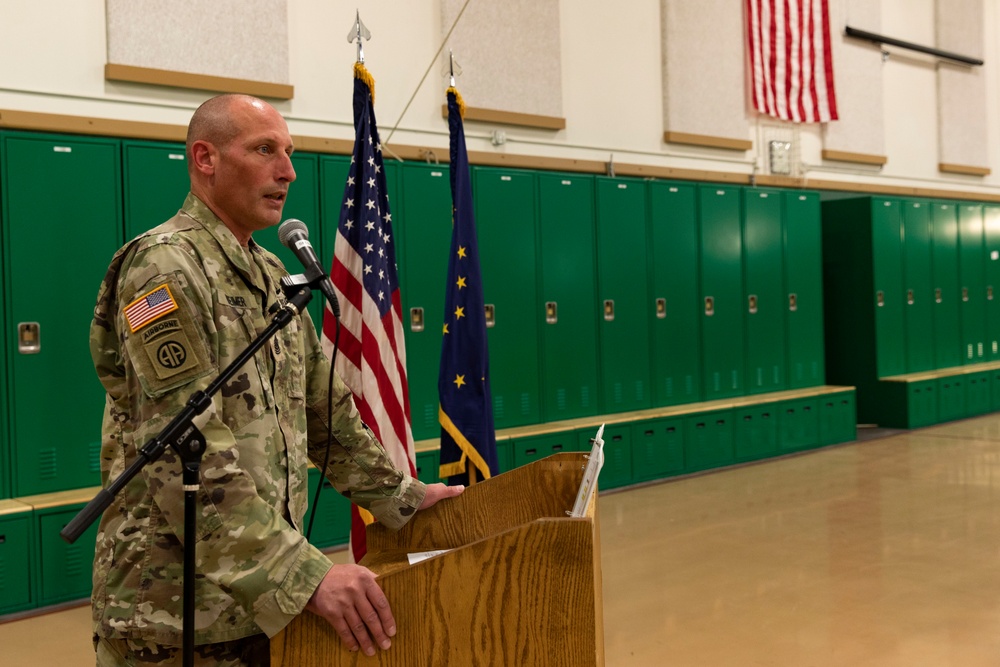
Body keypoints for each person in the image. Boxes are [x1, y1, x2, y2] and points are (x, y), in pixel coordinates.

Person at [89, 93, 463, 666]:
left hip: (260, 607)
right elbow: (182, 448)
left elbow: (325, 412)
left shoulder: (269, 275)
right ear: (205, 159)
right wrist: (303, 576)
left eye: (288, 152)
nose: (286, 170)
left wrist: (401, 497)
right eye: (264, 150)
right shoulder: (163, 268)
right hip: (176, 617)